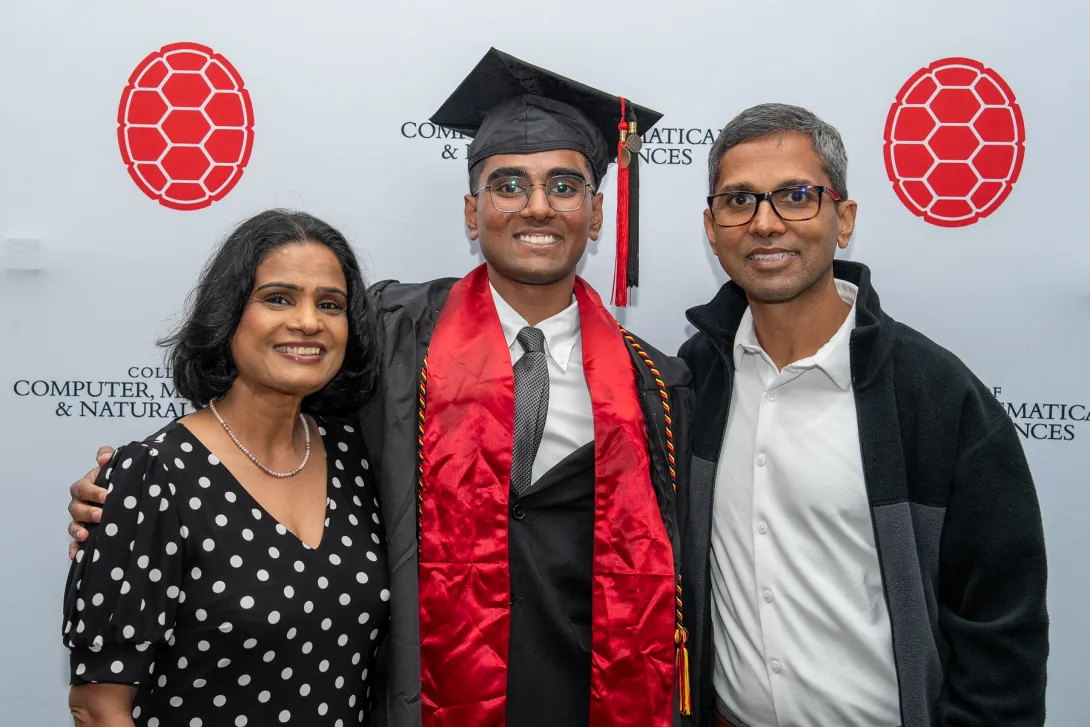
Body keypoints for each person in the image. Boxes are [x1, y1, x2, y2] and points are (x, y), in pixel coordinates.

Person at [68, 49, 695, 727]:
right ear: (471, 211)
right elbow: (265, 418)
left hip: (589, 700)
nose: (537, 206)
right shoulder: (391, 334)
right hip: (418, 701)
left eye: (564, 186)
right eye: (508, 184)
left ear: (597, 214)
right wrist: (134, 498)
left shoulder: (657, 386)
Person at [678, 103, 1049, 727]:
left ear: (843, 219)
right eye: (739, 201)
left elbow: (1001, 634)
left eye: (796, 196)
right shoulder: (695, 379)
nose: (765, 223)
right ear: (713, 228)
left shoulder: (938, 397)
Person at [63, 210, 390, 727]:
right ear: (228, 312)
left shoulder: (360, 455)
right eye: (278, 298)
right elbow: (99, 707)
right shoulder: (154, 476)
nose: (309, 322)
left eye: (330, 304)